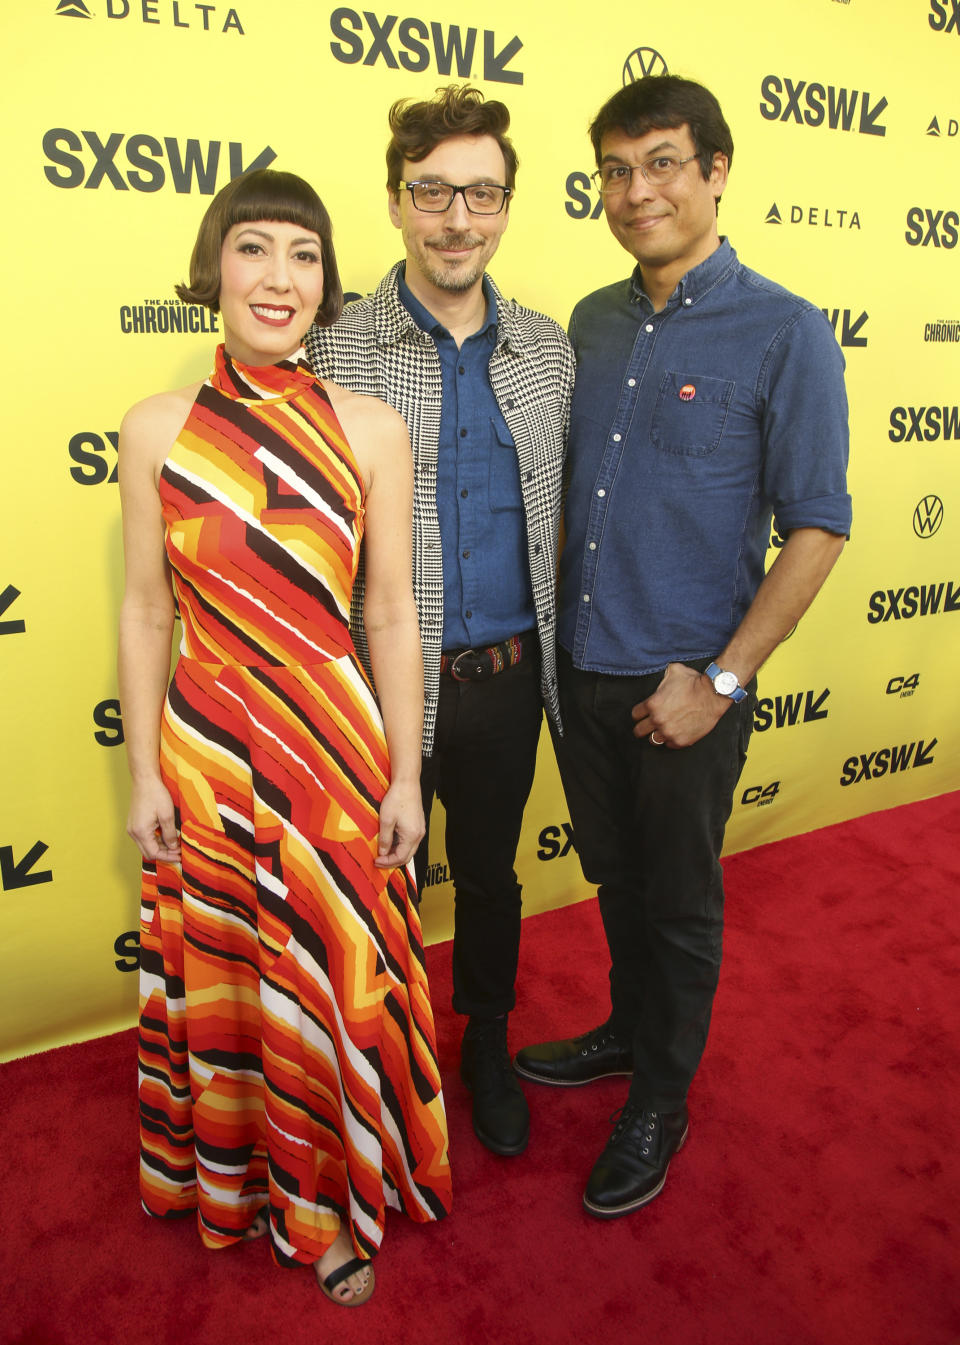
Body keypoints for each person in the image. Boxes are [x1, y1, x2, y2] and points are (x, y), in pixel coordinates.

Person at [514, 75, 852, 1216]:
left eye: (661, 162)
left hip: (687, 688)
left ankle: (663, 1089)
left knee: (679, 900)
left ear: (715, 171)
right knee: (615, 877)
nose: (635, 189)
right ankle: (628, 1028)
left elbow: (818, 526)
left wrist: (722, 679)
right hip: (587, 670)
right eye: (615, 169)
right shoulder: (594, 323)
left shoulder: (787, 331)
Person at [118, 169, 451, 1307]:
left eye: (303, 254)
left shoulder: (371, 426)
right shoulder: (156, 428)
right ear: (215, 267)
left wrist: (408, 772)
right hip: (207, 745)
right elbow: (147, 608)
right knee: (229, 973)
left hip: (336, 750)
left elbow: (396, 612)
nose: (279, 276)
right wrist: (142, 774)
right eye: (253, 249)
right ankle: (232, 1180)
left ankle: (326, 1208)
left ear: (326, 282)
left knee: (323, 976)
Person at [306, 85, 574, 1159]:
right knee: (386, 880)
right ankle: (387, 1057)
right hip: (378, 684)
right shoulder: (335, 346)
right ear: (395, 200)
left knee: (496, 876)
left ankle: (486, 1045)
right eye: (434, 192)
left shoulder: (550, 351)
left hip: (508, 680)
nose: (458, 219)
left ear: (507, 205)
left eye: (482, 194)